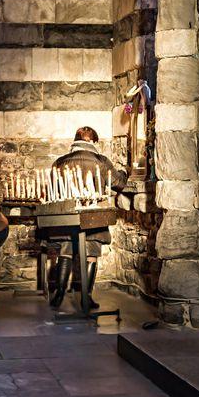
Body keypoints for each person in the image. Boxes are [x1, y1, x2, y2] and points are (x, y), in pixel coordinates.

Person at [49, 126, 127, 309]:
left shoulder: (60, 162)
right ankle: (86, 296)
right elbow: (118, 183)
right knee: (91, 254)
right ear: (92, 142)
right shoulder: (100, 161)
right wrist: (124, 172)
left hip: (65, 214)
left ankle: (59, 294)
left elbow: (52, 188)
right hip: (92, 216)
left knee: (65, 251)